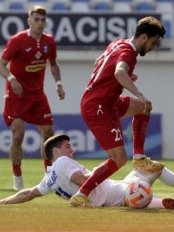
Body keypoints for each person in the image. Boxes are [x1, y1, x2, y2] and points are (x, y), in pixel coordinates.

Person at [70, 16, 167, 207]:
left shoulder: (118, 43)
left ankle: (139, 158)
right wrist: (138, 93)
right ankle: (82, 194)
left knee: (144, 108)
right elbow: (119, 72)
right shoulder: (128, 53)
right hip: (98, 106)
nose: (153, 47)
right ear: (144, 37)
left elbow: (99, 62)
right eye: (153, 42)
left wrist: (124, 77)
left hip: (107, 101)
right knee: (118, 158)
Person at [0, 134, 174, 209]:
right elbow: (84, 181)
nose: (71, 148)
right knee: (150, 171)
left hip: (114, 195)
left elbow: (27, 194)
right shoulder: (62, 163)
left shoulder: (48, 179)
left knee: (147, 174)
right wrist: (102, 169)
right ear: (55, 151)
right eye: (67, 145)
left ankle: (164, 202)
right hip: (116, 194)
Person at [0, 5, 65, 191]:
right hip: (16, 95)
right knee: (18, 134)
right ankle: (17, 178)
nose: (40, 23)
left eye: (43, 20)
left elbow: (54, 64)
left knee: (49, 133)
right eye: (36, 19)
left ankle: (49, 176)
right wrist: (11, 79)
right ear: (29, 21)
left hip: (37, 95)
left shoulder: (49, 41)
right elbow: (0, 65)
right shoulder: (17, 41)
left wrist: (58, 84)